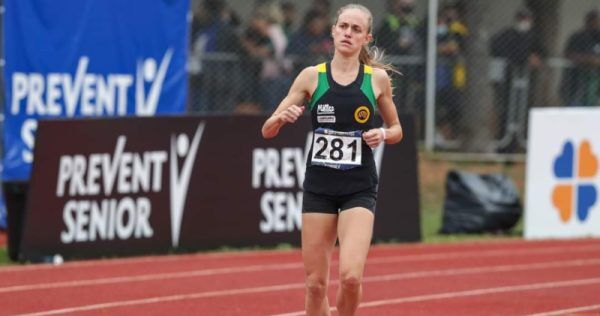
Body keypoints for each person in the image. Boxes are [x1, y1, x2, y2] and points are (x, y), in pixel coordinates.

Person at [261, 4, 403, 315]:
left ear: (367, 37)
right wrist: (282, 118)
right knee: (315, 285)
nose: (348, 34)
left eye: (356, 29)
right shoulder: (312, 77)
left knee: (351, 278)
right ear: (333, 31)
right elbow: (267, 129)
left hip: (358, 187)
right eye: (343, 27)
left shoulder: (376, 80)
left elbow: (397, 129)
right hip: (319, 189)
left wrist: (383, 134)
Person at [489, 7, 544, 145]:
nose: (524, 22)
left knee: (525, 111)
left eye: (527, 19)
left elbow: (542, 53)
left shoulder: (534, 36)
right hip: (509, 80)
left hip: (526, 82)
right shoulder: (507, 34)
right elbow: (500, 49)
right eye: (521, 19)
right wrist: (525, 58)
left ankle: (522, 142)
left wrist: (537, 59)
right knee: (507, 111)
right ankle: (504, 143)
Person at [561, 10, 600, 107]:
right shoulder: (577, 37)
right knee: (575, 105)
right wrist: (588, 60)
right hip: (576, 79)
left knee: (592, 104)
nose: (596, 24)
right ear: (587, 21)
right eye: (594, 21)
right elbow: (568, 54)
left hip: (595, 79)